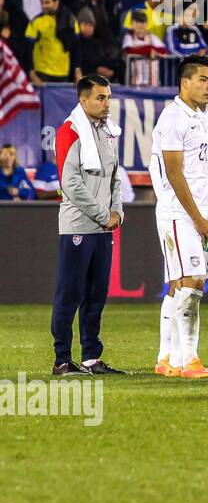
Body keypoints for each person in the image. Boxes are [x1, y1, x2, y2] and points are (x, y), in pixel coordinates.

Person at [148, 55, 208, 379]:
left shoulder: (205, 118)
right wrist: (199, 219)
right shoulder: (173, 118)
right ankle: (189, 359)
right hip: (180, 214)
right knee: (192, 283)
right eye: (204, 80)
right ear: (185, 83)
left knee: (179, 286)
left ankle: (168, 358)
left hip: (197, 213)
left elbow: (205, 170)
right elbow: (175, 174)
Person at [50, 76, 125, 376]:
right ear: (83, 100)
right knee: (70, 293)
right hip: (78, 226)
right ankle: (62, 360)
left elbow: (115, 177)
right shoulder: (70, 131)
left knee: (96, 294)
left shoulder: (107, 133)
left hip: (103, 228)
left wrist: (117, 210)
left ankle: (92, 358)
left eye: (108, 97)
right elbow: (70, 184)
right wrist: (102, 214)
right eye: (100, 98)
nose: (107, 103)